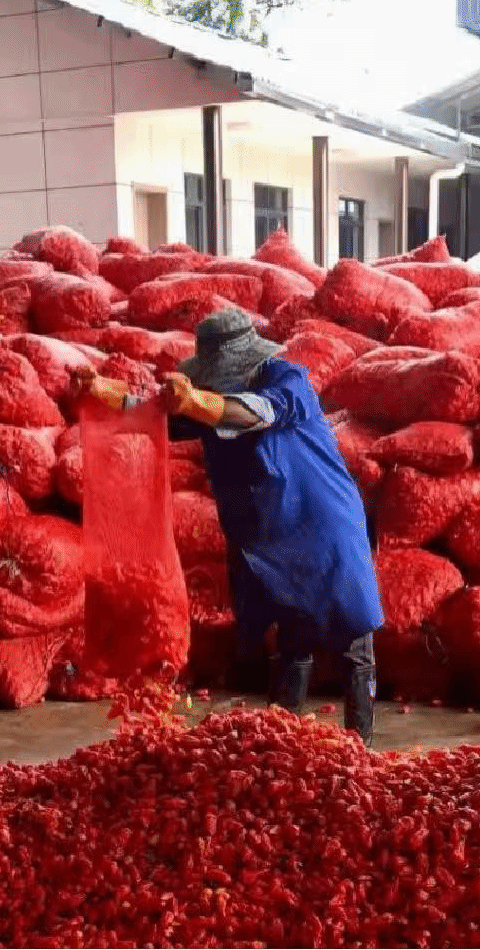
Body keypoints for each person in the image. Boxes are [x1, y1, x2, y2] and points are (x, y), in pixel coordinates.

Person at [74, 308, 384, 744]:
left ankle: (361, 748)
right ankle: (281, 742)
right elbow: (155, 414)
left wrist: (197, 402)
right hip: (271, 532)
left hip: (322, 521)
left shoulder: (287, 379)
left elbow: (256, 413)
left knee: (352, 631)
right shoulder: (210, 396)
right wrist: (103, 392)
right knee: (293, 633)